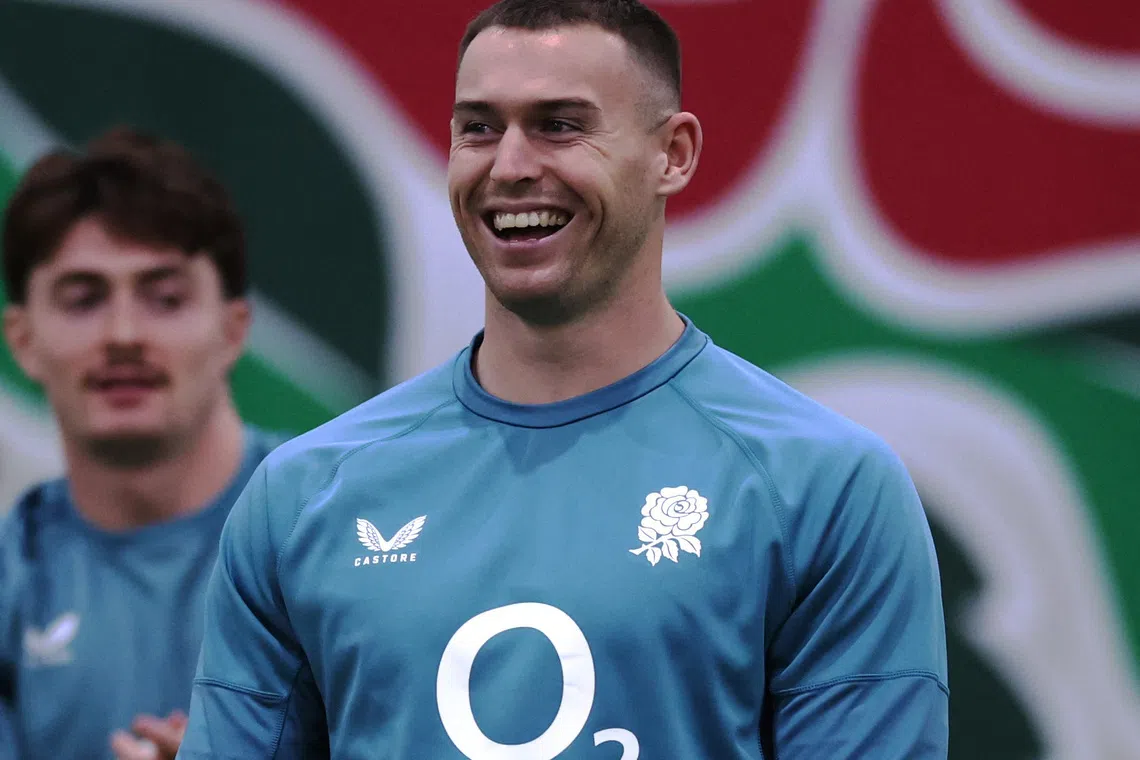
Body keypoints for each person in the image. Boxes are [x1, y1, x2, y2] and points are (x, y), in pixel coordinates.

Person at [177, 0, 949, 757]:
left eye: (559, 125)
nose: (510, 167)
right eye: (478, 128)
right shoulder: (303, 495)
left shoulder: (826, 486)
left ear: (672, 154)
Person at [0, 127, 285, 760]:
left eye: (165, 297)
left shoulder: (343, 529)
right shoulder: (11, 578)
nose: (124, 334)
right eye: (83, 298)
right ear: (22, 340)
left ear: (234, 329)